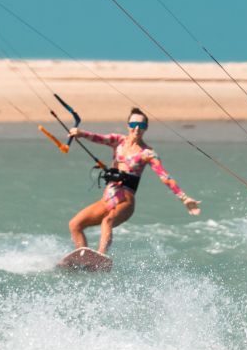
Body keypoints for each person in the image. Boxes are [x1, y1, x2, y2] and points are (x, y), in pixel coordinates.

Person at [67, 107, 201, 254]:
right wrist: (81, 133)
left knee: (107, 220)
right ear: (128, 125)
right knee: (75, 224)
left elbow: (165, 176)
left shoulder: (147, 153)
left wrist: (183, 197)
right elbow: (99, 138)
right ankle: (82, 257)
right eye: (133, 125)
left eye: (141, 125)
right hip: (107, 199)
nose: (137, 129)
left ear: (146, 128)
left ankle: (101, 256)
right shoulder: (118, 141)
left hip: (126, 201)